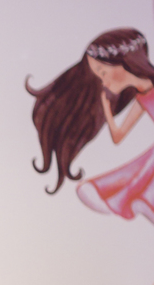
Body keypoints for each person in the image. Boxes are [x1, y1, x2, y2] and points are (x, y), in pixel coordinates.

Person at [28, 27, 154, 220]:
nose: (103, 82)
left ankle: (141, 197)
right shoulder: (142, 96)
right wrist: (107, 111)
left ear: (124, 63)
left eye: (103, 72)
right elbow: (118, 136)